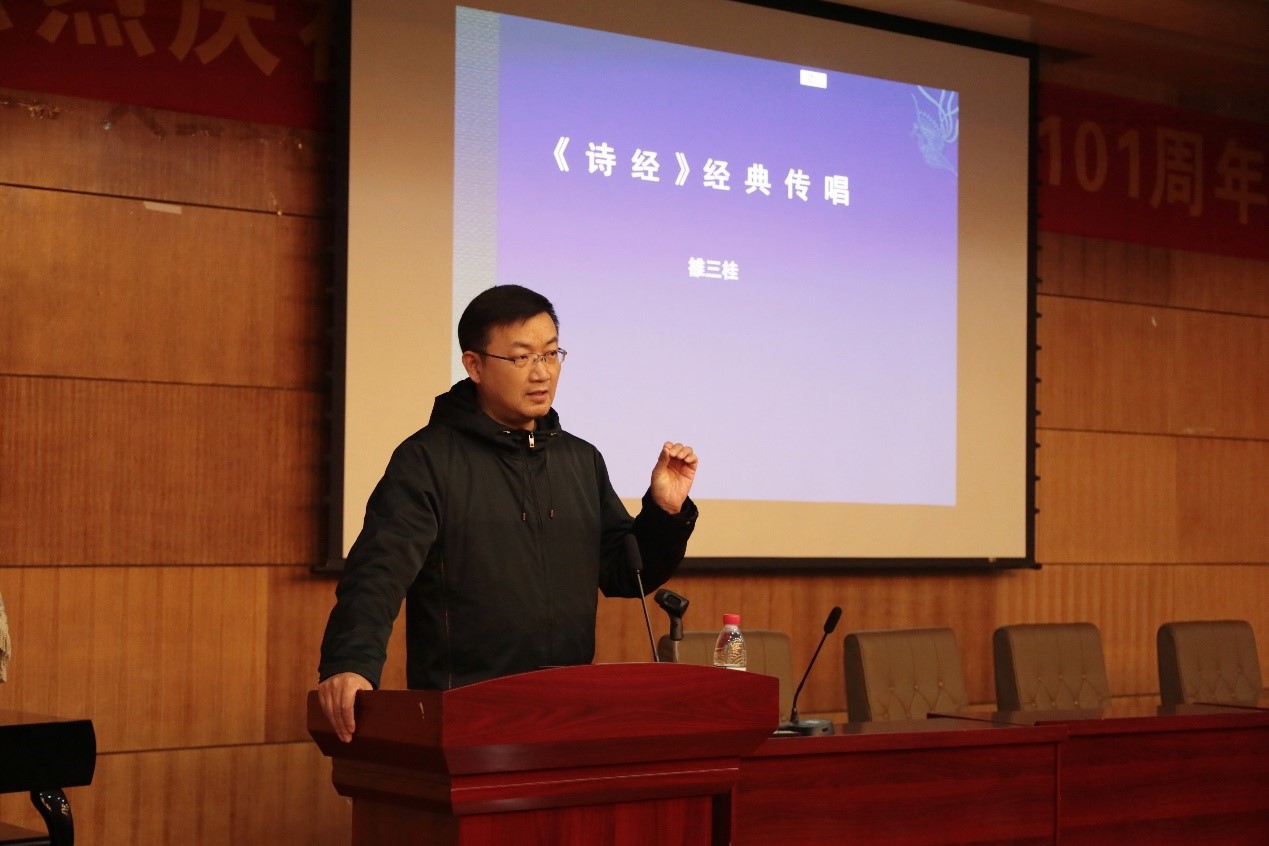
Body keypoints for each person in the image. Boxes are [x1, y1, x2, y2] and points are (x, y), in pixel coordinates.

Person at [317, 284, 699, 741]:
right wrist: (350, 664)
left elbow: (625, 573)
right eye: (521, 358)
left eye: (551, 354)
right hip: (467, 714)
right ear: (474, 365)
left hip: (570, 711)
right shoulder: (428, 460)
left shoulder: (581, 460)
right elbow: (378, 572)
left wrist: (664, 512)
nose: (542, 373)